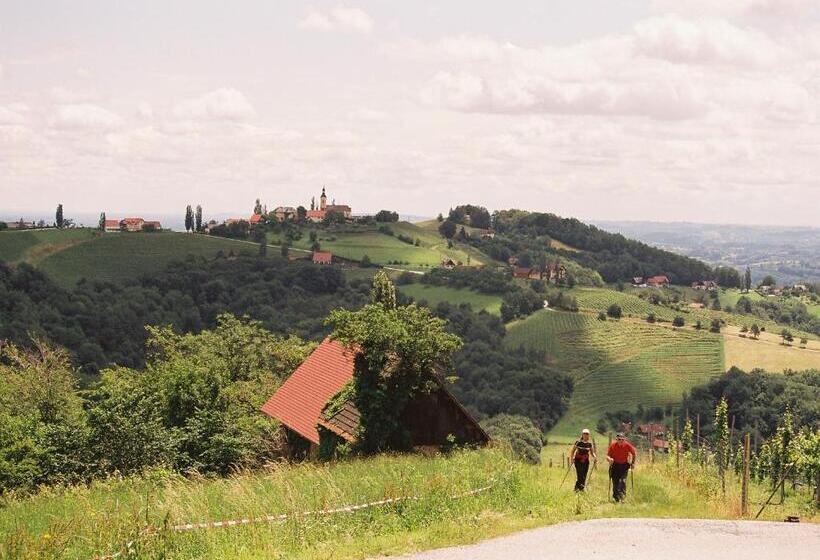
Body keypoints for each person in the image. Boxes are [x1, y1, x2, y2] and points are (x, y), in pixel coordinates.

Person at [606, 432, 637, 502]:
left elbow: (634, 453)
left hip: (624, 465)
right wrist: (609, 459)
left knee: (622, 481)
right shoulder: (613, 445)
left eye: (622, 439)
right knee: (615, 482)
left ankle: (622, 496)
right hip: (615, 466)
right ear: (616, 439)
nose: (621, 441)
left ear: (624, 439)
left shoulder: (627, 445)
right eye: (619, 439)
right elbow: (607, 456)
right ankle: (616, 497)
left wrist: (633, 463)